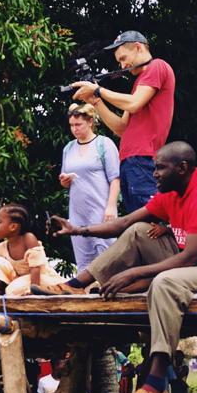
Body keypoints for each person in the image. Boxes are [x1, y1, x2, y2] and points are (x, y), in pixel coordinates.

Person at [50, 142, 197, 393]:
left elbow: (190, 258)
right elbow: (124, 223)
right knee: (139, 230)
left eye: (160, 167)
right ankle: (77, 285)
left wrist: (134, 273)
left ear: (182, 168)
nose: (155, 173)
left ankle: (155, 384)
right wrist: (78, 229)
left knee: (164, 283)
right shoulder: (172, 195)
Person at [70, 30, 175, 214]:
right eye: (119, 61)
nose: (122, 64)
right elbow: (121, 128)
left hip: (142, 158)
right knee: (136, 221)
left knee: (147, 221)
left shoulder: (157, 66)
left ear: (138, 47)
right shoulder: (139, 84)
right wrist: (95, 102)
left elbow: (134, 104)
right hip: (130, 161)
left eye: (124, 58)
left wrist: (98, 90)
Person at [59, 102, 120, 271]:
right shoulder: (69, 148)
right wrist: (64, 181)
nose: (75, 129)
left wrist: (111, 205)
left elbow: (115, 178)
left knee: (106, 253)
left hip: (100, 207)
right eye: (72, 125)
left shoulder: (104, 144)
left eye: (78, 124)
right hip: (78, 209)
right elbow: (64, 179)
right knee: (83, 258)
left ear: (90, 122)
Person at [0, 204, 65, 298]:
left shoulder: (28, 239)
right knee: (0, 269)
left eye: (0, 222)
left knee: (12, 290)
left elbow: (35, 268)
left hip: (40, 279)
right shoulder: (2, 247)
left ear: (13, 227)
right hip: (21, 281)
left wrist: (34, 292)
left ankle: (53, 290)